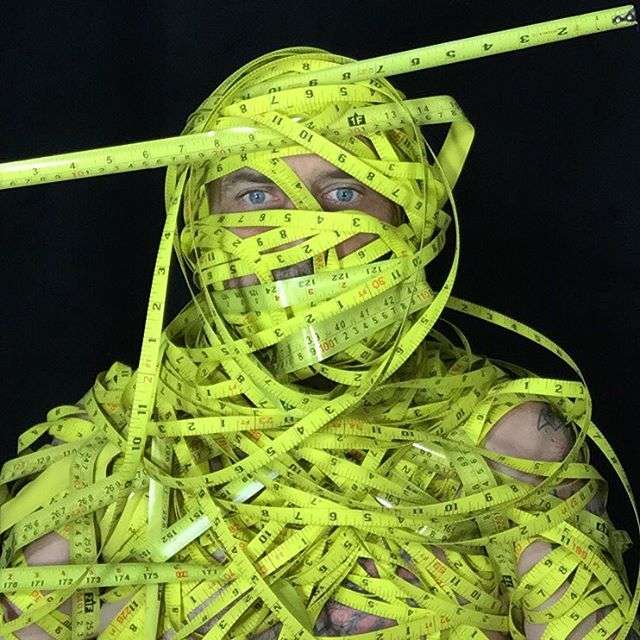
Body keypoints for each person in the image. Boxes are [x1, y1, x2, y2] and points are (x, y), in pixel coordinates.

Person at [1, 44, 637, 640]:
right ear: (199, 228)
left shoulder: (512, 444)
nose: (302, 236)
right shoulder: (116, 440)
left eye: (343, 193)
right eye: (256, 195)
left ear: (409, 222)